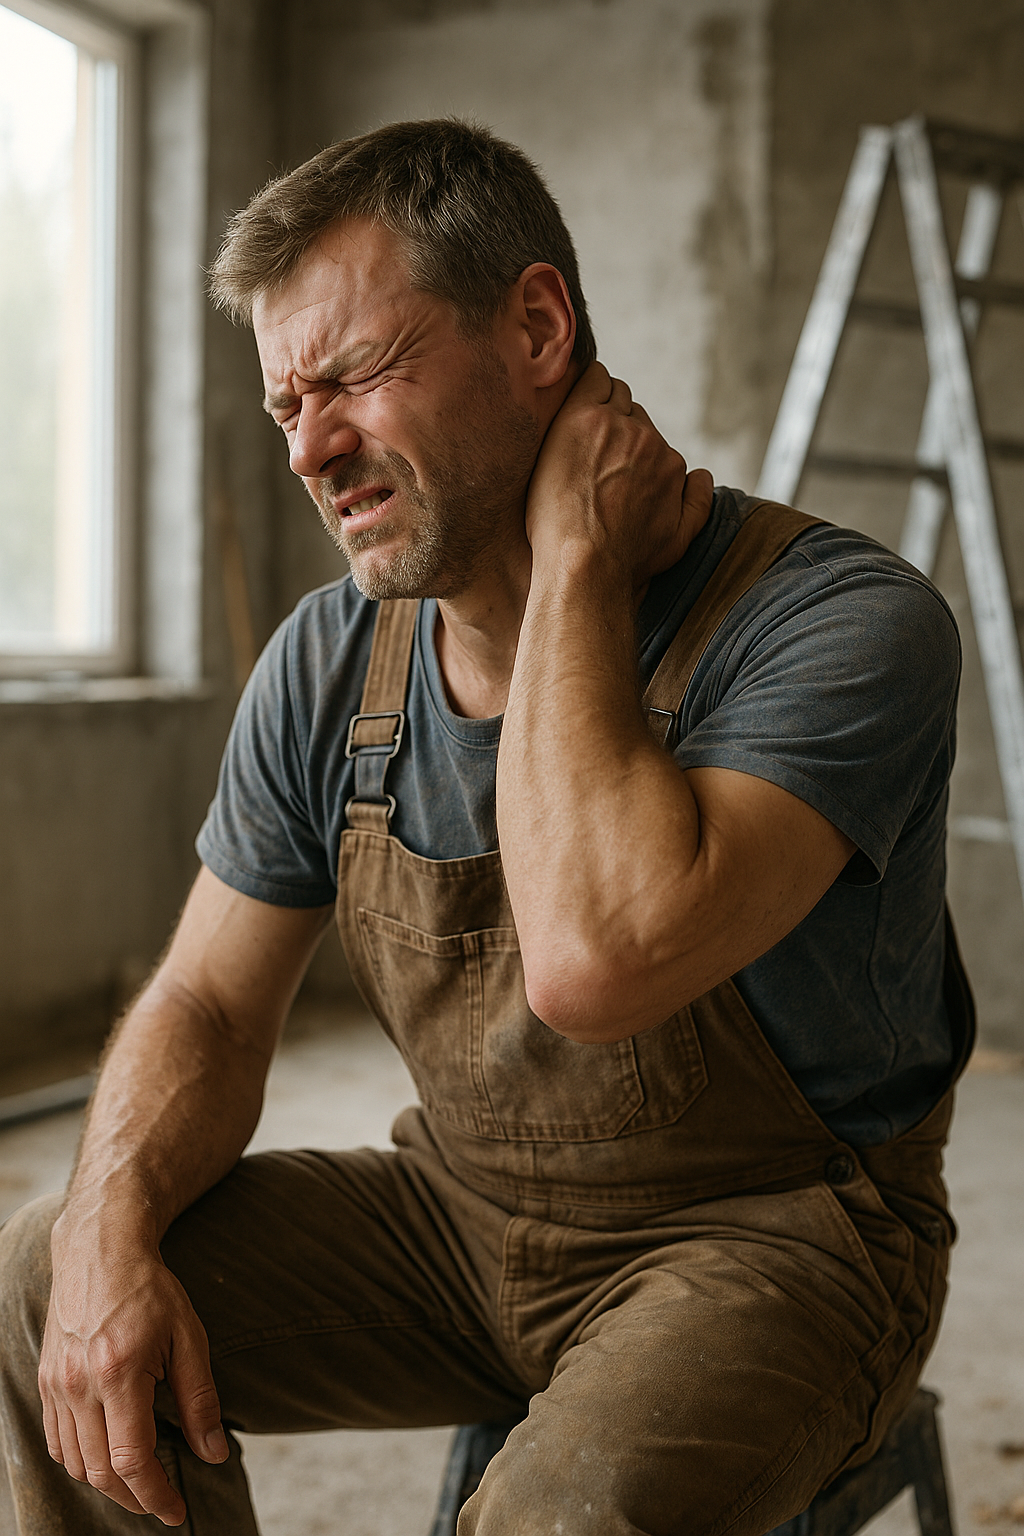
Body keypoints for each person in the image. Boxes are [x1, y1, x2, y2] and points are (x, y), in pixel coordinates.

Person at [0, 119, 973, 1536]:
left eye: (352, 377)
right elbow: (209, 1001)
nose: (313, 448)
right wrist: (102, 1230)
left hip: (779, 1246)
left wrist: (573, 560)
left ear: (535, 327)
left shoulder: (840, 623)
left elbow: (600, 962)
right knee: (50, 1279)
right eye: (286, 406)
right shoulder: (331, 662)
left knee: (559, 1518)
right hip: (462, 1223)